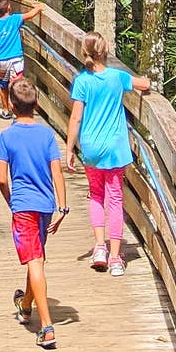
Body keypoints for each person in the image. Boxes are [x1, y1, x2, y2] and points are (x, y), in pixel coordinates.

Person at [64, 31, 152, 277]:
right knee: (114, 199)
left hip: (91, 148)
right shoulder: (117, 77)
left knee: (96, 195)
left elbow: (76, 117)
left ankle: (99, 248)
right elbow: (143, 84)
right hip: (115, 148)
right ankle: (115, 258)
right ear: (106, 51)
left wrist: (70, 148)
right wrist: (148, 83)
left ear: (86, 53)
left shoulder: (82, 81)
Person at [0, 77, 69, 348]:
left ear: (12, 106)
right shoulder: (47, 135)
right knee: (36, 256)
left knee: (34, 260)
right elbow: (56, 172)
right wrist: (62, 207)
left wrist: (11, 200)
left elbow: (2, 179)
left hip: (23, 205)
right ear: (36, 104)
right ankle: (25, 305)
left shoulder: (6, 137)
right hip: (46, 206)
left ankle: (47, 327)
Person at [0, 0, 44, 119]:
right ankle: (19, 109)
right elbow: (29, 15)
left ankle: (5, 110)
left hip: (3, 60)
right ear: (9, 7)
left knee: (3, 85)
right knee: (17, 83)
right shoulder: (15, 19)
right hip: (16, 59)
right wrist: (39, 8)